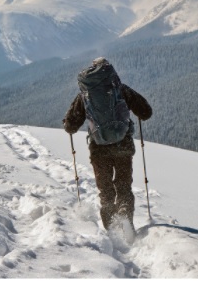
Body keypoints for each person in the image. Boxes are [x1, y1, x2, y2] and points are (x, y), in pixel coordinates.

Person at [63, 57, 152, 232]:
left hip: (98, 150)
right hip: (123, 147)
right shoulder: (120, 89)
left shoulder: (85, 94)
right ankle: (126, 217)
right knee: (124, 186)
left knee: (106, 192)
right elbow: (146, 112)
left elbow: (70, 126)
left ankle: (112, 232)